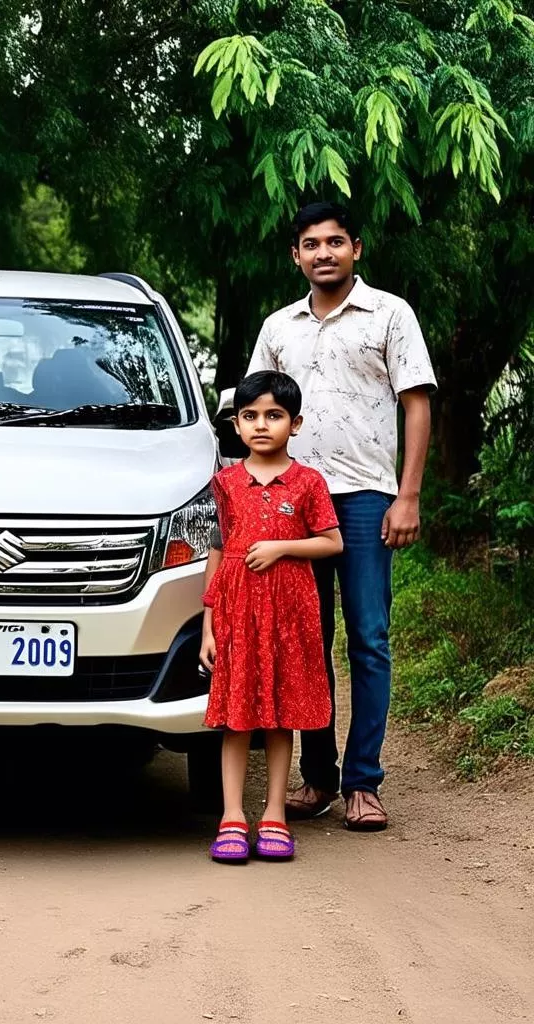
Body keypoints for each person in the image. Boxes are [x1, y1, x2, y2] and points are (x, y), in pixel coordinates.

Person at [248, 202, 436, 831]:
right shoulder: (278, 327)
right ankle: (318, 778)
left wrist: (407, 496)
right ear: (295, 256)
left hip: (365, 497)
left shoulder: (390, 314)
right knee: (306, 640)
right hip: (293, 500)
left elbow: (416, 405)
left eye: (334, 242)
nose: (323, 253)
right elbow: (257, 410)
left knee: (369, 639)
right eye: (311, 244)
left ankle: (363, 782)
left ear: (355, 248)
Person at [200, 372, 342, 863]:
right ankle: (231, 817)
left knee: (281, 715)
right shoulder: (225, 483)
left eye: (274, 415)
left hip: (289, 613)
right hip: (237, 612)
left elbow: (332, 542)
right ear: (237, 425)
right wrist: (208, 625)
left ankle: (275, 814)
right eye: (251, 416)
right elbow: (218, 552)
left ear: (294, 424)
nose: (262, 425)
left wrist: (282, 547)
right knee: (236, 718)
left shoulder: (308, 482)